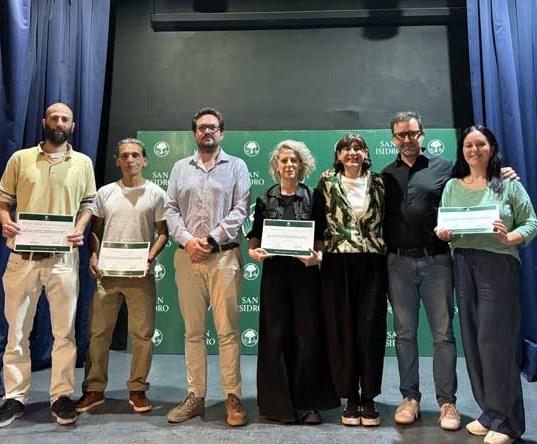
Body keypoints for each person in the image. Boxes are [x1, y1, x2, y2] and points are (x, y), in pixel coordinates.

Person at [0, 103, 97, 428]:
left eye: (65, 119)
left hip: (63, 259)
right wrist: (6, 221)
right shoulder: (20, 159)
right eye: (54, 118)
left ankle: (61, 396)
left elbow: (88, 204)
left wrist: (81, 227)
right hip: (22, 259)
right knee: (17, 331)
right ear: (44, 122)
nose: (59, 123)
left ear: (72, 125)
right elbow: (2, 200)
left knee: (64, 333)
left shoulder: (83, 163)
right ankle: (14, 398)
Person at [435, 125, 537, 444]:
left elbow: (531, 223)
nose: (474, 149)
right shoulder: (453, 185)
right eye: (468, 145)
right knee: (475, 342)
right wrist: (444, 233)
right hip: (464, 263)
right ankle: (490, 411)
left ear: (491, 148)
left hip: (498, 265)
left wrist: (509, 237)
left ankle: (508, 422)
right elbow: (445, 223)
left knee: (496, 344)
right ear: (462, 151)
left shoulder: (507, 184)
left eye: (480, 144)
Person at [163, 108, 251, 426]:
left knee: (227, 332)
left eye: (213, 127)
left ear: (222, 133)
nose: (207, 132)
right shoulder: (179, 168)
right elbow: (170, 208)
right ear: (194, 133)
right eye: (201, 128)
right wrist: (188, 240)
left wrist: (211, 240)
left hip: (224, 256)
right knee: (193, 332)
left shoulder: (237, 166)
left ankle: (232, 397)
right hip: (187, 258)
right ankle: (196, 397)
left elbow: (241, 209)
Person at [246, 140, 339, 424]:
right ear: (276, 166)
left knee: (307, 336)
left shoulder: (314, 197)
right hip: (275, 275)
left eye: (294, 161)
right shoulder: (264, 198)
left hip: (306, 275)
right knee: (275, 336)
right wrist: (252, 251)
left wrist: (318, 257)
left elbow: (322, 236)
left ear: (302, 166)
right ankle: (277, 405)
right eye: (284, 160)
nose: (289, 165)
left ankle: (306, 403)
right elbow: (255, 234)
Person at [75, 138, 168, 415]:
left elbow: (163, 233)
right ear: (117, 161)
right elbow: (94, 231)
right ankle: (94, 390)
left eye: (136, 155)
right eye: (125, 156)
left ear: (145, 160)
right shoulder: (104, 193)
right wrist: (93, 255)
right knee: (98, 333)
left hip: (141, 275)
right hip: (107, 274)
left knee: (142, 335)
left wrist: (149, 257)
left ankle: (137, 389)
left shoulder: (156, 194)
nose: (130, 160)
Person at [382, 111, 460, 430]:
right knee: (404, 334)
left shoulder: (445, 168)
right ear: (393, 139)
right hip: (397, 263)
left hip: (437, 261)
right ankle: (410, 398)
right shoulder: (385, 175)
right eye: (401, 135)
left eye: (412, 133)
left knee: (443, 335)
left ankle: (447, 403)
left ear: (422, 134)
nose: (407, 139)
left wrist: (505, 174)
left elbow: (472, 190)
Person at [313, 133, 387, 427]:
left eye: (358, 148)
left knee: (370, 328)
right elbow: (318, 221)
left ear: (366, 153)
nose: (353, 153)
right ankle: (350, 397)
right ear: (339, 155)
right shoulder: (327, 183)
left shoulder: (381, 182)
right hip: (336, 262)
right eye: (347, 149)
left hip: (372, 262)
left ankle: (368, 396)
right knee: (341, 327)